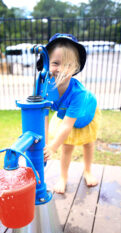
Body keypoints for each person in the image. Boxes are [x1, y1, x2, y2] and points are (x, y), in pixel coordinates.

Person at [39, 33, 101, 194]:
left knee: (88, 144)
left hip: (87, 112)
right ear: (46, 63)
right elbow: (43, 117)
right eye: (55, 63)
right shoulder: (45, 87)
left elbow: (67, 125)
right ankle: (63, 177)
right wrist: (44, 145)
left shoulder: (78, 94)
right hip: (67, 113)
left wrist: (52, 148)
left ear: (75, 68)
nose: (60, 69)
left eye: (67, 65)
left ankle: (87, 170)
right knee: (67, 146)